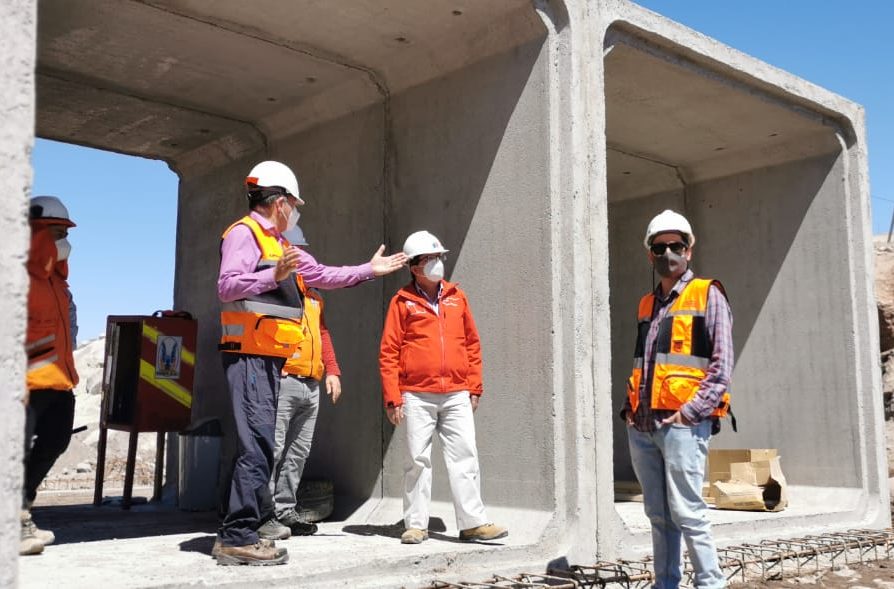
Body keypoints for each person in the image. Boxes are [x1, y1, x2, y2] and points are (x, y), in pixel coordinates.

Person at [215, 160, 406, 565]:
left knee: (263, 446)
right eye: (294, 204)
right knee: (258, 447)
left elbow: (322, 275)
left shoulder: (282, 247)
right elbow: (227, 285)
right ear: (280, 202)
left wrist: (368, 271)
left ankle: (250, 525)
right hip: (249, 356)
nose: (296, 212)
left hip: (268, 358)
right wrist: (271, 277)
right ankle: (237, 535)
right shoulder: (244, 234)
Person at [620, 209, 733, 589]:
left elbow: (721, 367)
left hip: (683, 426)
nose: (668, 253)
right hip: (643, 426)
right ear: (648, 253)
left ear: (689, 249)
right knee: (658, 514)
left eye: (676, 245)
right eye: (659, 247)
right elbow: (642, 364)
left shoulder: (707, 294)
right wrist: (630, 412)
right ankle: (665, 584)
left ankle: (709, 583)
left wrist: (689, 414)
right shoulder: (646, 305)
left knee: (689, 513)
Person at [379, 230, 507, 545]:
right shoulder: (401, 302)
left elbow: (472, 344)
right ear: (414, 266)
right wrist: (392, 397)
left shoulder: (457, 297)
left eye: (440, 257)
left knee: (465, 456)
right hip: (416, 394)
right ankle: (417, 525)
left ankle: (472, 523)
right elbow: (389, 352)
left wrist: (474, 387)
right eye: (431, 259)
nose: (438, 263)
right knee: (417, 460)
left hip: (456, 393)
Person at [268, 225, 342, 537]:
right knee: (271, 449)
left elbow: (322, 332)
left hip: (311, 382)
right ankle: (261, 513)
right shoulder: (274, 291)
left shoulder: (313, 294)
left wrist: (333, 369)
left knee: (297, 452)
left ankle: (284, 511)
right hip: (284, 380)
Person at [21, 196, 79, 556]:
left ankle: (20, 510)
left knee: (55, 441)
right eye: (56, 233)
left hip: (57, 382)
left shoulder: (59, 286)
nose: (64, 242)